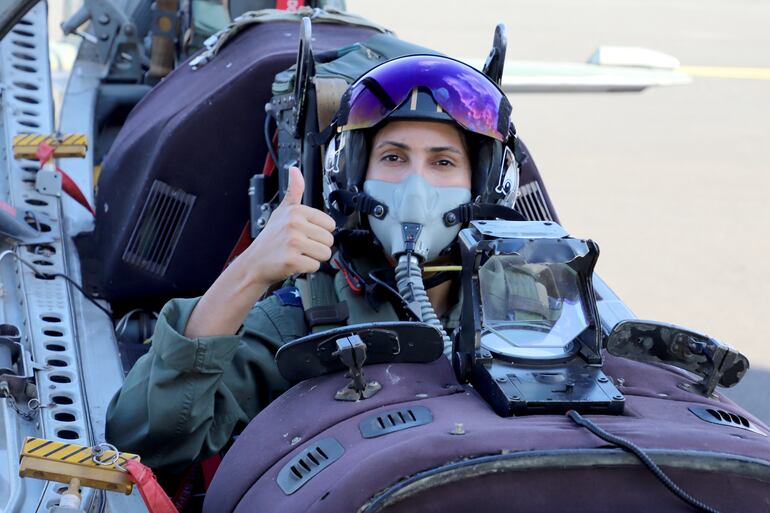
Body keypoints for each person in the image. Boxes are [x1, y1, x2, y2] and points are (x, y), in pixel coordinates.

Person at [105, 54, 521, 474]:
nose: (416, 190)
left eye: (443, 162)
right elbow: (142, 439)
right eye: (393, 158)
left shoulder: (528, 303)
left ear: (483, 184)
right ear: (353, 173)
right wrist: (249, 272)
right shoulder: (303, 316)